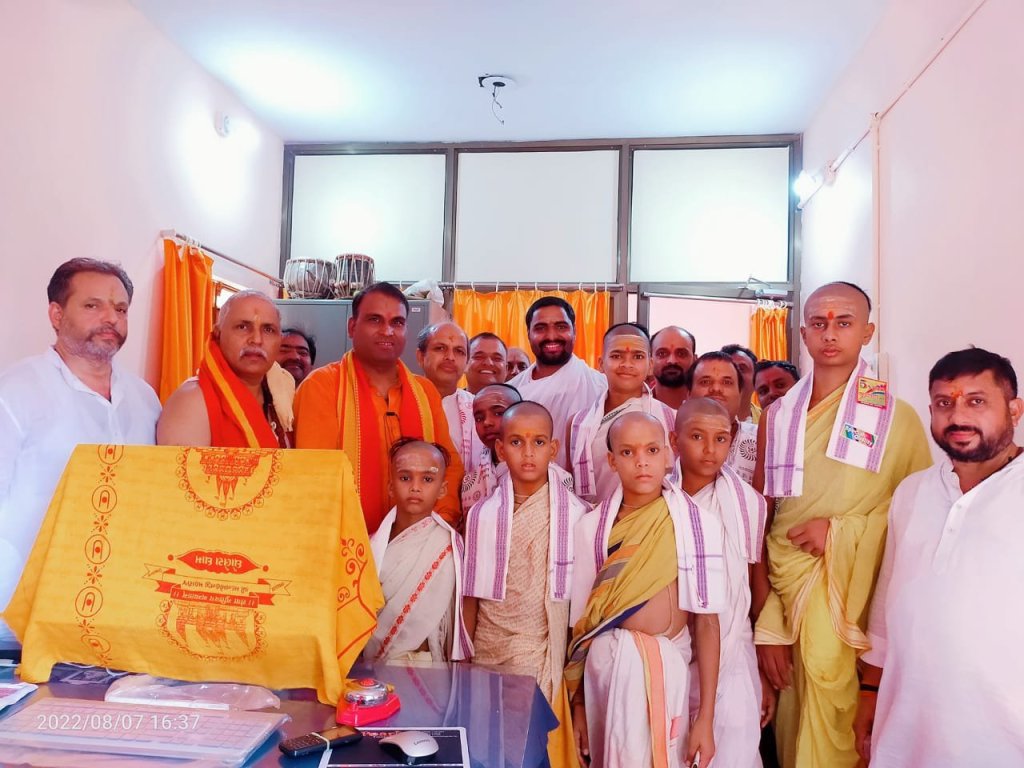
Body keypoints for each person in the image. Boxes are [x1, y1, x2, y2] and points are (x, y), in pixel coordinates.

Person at [751, 281, 932, 768]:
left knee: (850, 722)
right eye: (819, 323)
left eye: (844, 322)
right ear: (804, 333)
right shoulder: (777, 416)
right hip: (786, 593)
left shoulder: (897, 418)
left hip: (860, 596)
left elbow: (917, 517)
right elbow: (758, 520)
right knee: (796, 719)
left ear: (867, 332)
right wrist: (766, 621)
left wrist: (839, 531)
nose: (830, 333)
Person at [853, 348, 1024, 766]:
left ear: (1015, 410)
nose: (958, 416)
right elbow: (888, 602)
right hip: (908, 728)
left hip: (1002, 737)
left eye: (976, 401)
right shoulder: (913, 492)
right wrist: (871, 691)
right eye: (945, 403)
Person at [0, 258, 160, 643]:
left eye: (120, 309)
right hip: (19, 615)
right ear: (56, 315)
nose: (111, 318)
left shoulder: (145, 398)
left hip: (114, 610)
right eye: (93, 305)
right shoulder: (15, 392)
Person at [566, 412, 723, 768]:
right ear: (611, 461)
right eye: (628, 452)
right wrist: (578, 706)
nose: (641, 462)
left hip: (670, 667)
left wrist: (706, 718)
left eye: (652, 450)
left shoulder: (697, 524)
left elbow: (708, 622)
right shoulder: (591, 529)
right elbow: (580, 627)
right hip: (608, 672)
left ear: (668, 454)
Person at [463, 401, 589, 768]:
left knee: (526, 746)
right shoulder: (481, 515)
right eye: (516, 442)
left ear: (554, 449)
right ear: (501, 450)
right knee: (488, 744)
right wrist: (464, 656)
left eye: (538, 442)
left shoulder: (577, 516)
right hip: (488, 647)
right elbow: (471, 594)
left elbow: (579, 605)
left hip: (539, 647)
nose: (528, 452)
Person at [293, 282, 464, 533]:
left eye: (397, 322)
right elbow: (314, 476)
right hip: (345, 540)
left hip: (418, 540)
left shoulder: (425, 392)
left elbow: (449, 465)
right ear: (352, 327)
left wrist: (435, 527)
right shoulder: (322, 386)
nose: (387, 331)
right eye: (375, 320)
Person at [672, 398, 769, 768]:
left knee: (734, 751)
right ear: (674, 439)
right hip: (675, 653)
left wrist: (763, 670)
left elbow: (752, 587)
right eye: (697, 436)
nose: (710, 449)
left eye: (721, 439)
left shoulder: (748, 504)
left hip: (733, 653)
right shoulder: (660, 501)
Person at [365, 439, 468, 663]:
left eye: (427, 479)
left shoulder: (449, 546)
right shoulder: (369, 546)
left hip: (425, 665)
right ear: (390, 486)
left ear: (442, 489)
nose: (415, 487)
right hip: (370, 668)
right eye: (405, 478)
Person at [158, 290, 294, 448]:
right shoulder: (193, 402)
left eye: (268, 329)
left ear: (280, 340)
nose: (256, 339)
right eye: (242, 327)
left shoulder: (281, 395)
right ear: (218, 334)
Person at [566, 323, 676, 505]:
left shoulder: (671, 419)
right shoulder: (577, 423)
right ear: (601, 364)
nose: (627, 364)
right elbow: (570, 490)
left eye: (637, 356)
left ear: (650, 365)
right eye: (616, 356)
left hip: (653, 519)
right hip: (593, 518)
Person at [507, 296, 606, 465]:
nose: (551, 336)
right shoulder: (512, 391)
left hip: (587, 481)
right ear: (528, 334)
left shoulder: (601, 386)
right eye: (540, 328)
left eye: (561, 327)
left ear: (574, 331)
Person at [416, 321, 482, 474]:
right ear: (420, 357)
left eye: (459, 351)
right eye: (440, 348)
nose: (450, 357)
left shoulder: (478, 409)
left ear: (467, 363)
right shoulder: (401, 400)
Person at [688, 351, 759, 483]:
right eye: (705, 382)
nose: (716, 388)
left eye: (727, 382)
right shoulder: (672, 442)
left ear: (740, 393)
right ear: (688, 394)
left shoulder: (760, 440)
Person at [460, 383, 521, 510]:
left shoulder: (546, 474)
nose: (487, 422)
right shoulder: (470, 480)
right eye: (479, 418)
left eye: (498, 413)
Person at [651, 326, 696, 410]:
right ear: (650, 360)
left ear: (694, 359)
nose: (672, 361)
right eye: (662, 354)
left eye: (681, 354)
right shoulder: (636, 408)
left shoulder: (708, 407)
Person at [722, 344, 759, 423]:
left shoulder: (768, 420)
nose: (735, 375)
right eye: (728, 369)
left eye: (741, 369)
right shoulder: (699, 418)